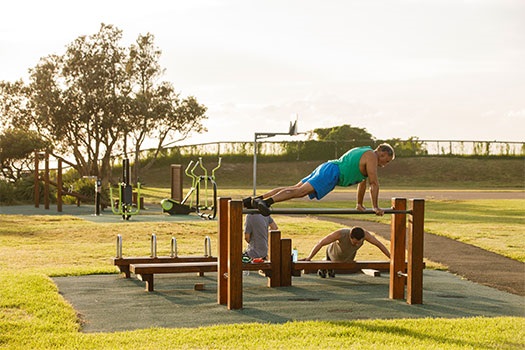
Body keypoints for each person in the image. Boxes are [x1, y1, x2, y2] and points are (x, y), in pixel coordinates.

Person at [244, 144, 395, 217]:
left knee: (295, 188)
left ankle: (255, 200)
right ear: (382, 153)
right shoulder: (372, 156)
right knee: (300, 192)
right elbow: (374, 184)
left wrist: (359, 204)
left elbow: (363, 184)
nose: (384, 164)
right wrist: (376, 207)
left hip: (328, 167)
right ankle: (267, 202)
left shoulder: (366, 154)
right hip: (332, 172)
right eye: (386, 161)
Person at [302, 226, 390, 278]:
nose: (356, 245)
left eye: (359, 243)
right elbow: (321, 243)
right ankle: (325, 264)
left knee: (344, 262)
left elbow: (379, 244)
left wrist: (391, 258)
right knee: (332, 260)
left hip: (348, 257)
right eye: (355, 242)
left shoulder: (366, 235)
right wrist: (309, 258)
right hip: (333, 253)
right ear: (350, 237)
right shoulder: (341, 234)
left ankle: (329, 268)